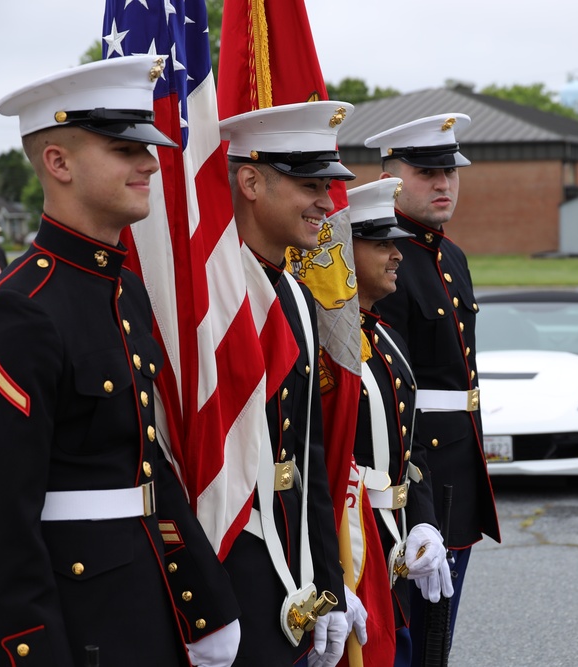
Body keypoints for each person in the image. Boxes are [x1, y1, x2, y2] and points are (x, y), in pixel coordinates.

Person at [0, 56, 241, 667]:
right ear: (58, 163)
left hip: (143, 601)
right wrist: (31, 652)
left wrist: (205, 605)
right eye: (124, 148)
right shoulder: (21, 313)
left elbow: (147, 466)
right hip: (75, 623)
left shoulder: (125, 292)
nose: (149, 162)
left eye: (147, 146)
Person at [220, 102, 361, 667]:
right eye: (310, 185)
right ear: (251, 181)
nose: (328, 205)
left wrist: (327, 585)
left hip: (292, 568)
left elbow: (308, 457)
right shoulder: (211, 303)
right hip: (229, 569)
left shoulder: (297, 295)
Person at [366, 114, 500, 663]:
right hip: (418, 477)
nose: (444, 183)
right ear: (391, 174)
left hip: (458, 475)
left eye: (450, 171)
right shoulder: (382, 258)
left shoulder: (451, 256)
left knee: (438, 638)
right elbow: (396, 396)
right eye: (426, 172)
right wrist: (418, 502)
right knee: (411, 638)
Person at [348, 178, 452, 665]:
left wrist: (425, 523)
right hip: (355, 550)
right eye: (381, 244)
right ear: (343, 252)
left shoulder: (385, 337)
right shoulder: (331, 349)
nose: (396, 256)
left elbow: (413, 447)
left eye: (395, 243)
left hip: (396, 545)